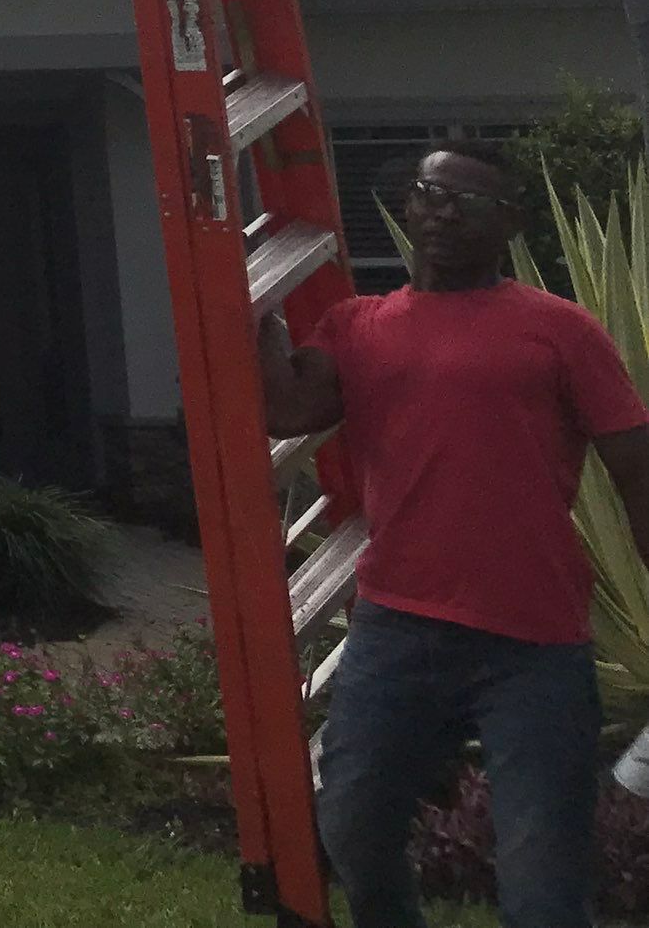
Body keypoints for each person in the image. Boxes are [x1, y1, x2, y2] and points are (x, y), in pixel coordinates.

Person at [262, 139, 649, 928]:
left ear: (507, 223)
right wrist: (251, 308)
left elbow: (635, 468)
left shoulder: (562, 331)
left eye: (465, 202)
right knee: (354, 822)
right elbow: (286, 409)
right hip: (397, 627)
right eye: (427, 193)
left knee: (544, 878)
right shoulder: (357, 325)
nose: (439, 212)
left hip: (534, 642)